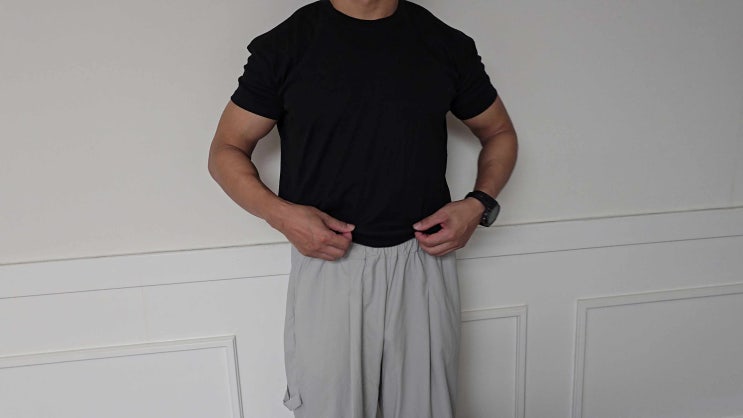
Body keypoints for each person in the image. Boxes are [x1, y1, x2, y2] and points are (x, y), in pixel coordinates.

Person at [208, 0, 517, 416]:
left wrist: (479, 203)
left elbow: (499, 132)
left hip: (423, 263)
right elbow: (225, 150)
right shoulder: (286, 45)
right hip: (329, 261)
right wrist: (280, 215)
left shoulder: (445, 44)